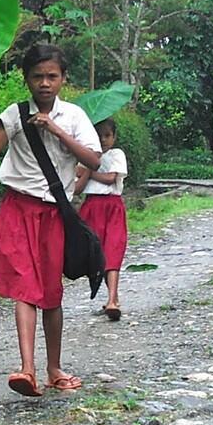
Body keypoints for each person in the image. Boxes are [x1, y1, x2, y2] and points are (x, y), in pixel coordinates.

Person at [0, 43, 101, 397]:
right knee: (24, 287)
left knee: (51, 292)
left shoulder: (74, 117)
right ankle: (27, 368)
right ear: (26, 79)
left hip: (54, 213)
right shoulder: (15, 115)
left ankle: (54, 368)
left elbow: (94, 161)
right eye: (37, 77)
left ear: (64, 79)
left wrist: (56, 131)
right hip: (17, 209)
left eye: (52, 76)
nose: (45, 83)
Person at [74, 117, 128, 321]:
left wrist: (88, 171)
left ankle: (113, 299)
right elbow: (77, 189)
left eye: (107, 135)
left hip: (112, 207)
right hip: (91, 207)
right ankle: (111, 298)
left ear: (114, 137)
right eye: (98, 135)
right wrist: (82, 170)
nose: (103, 139)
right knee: (97, 254)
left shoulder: (116, 154)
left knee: (113, 250)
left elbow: (111, 178)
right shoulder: (84, 157)